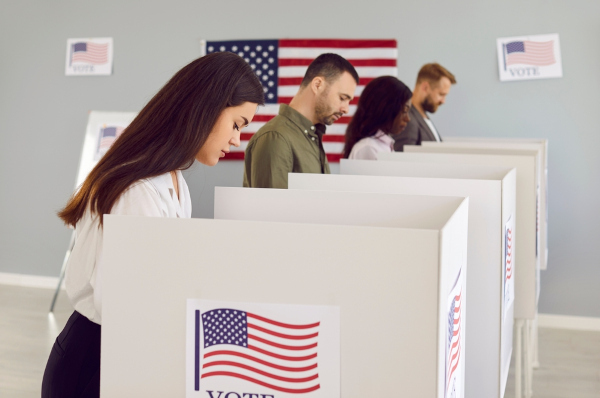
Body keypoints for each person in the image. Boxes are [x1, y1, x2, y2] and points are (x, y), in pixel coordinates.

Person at [41, 52, 264, 398]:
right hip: (96, 359)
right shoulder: (138, 190)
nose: (237, 139)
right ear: (206, 107)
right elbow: (128, 304)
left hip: (121, 350)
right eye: (237, 124)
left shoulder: (175, 181)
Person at [243, 53, 359, 188]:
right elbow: (272, 207)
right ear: (317, 85)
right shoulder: (276, 137)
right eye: (342, 98)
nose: (346, 109)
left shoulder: (311, 136)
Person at [343, 76, 412, 160]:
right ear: (386, 109)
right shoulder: (368, 148)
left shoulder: (383, 145)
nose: (407, 119)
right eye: (404, 110)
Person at [392, 63, 456, 151]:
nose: (443, 101)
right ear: (425, 87)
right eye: (441, 94)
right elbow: (404, 160)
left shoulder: (421, 115)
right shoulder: (407, 119)